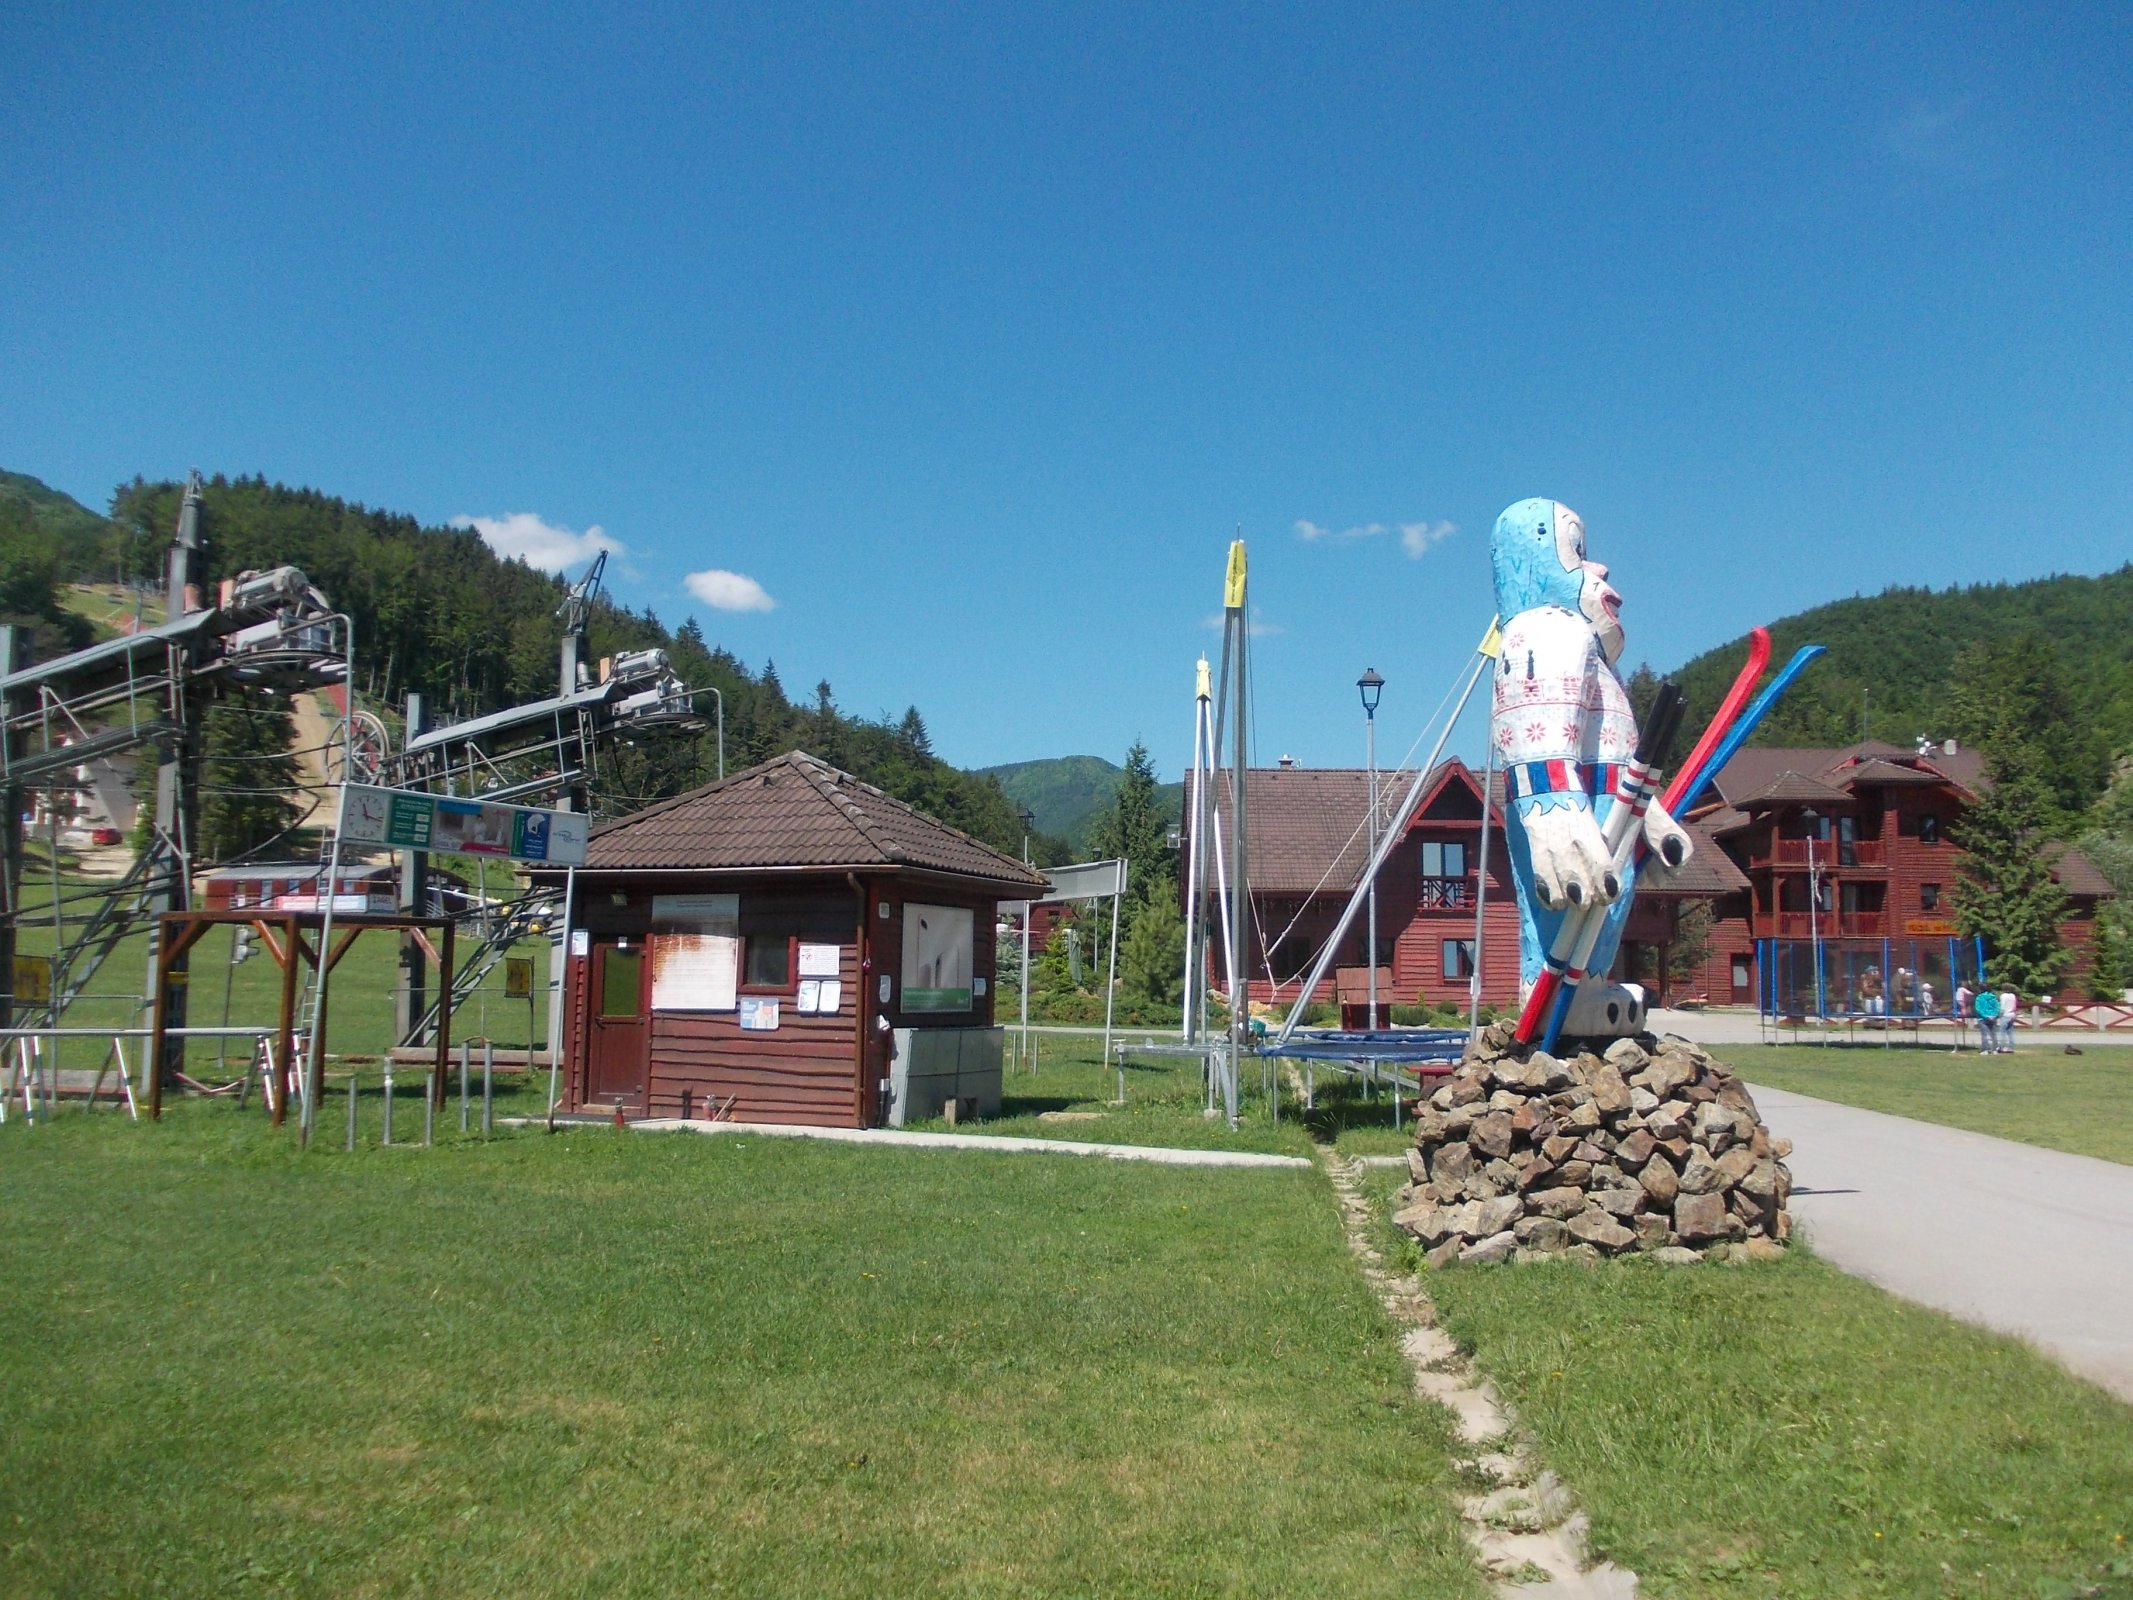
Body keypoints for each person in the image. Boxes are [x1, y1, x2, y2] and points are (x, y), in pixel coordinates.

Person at [1998, 989, 2020, 1054]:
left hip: (2005, 1014)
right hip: (2012, 1014)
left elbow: (2002, 1007)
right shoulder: (2013, 996)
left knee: (2002, 1032)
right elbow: (2015, 1005)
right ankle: (2011, 1047)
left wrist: (1999, 1015)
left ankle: (2002, 1047)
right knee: (2010, 1032)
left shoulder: (2003, 996)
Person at [1953, 980, 1973, 1052]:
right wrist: (1972, 993)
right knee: (1963, 1007)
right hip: (1961, 999)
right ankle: (1964, 1014)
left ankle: (1961, 1013)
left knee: (1962, 1007)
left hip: (1959, 999)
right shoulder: (1962, 989)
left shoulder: (1959, 989)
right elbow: (1968, 993)